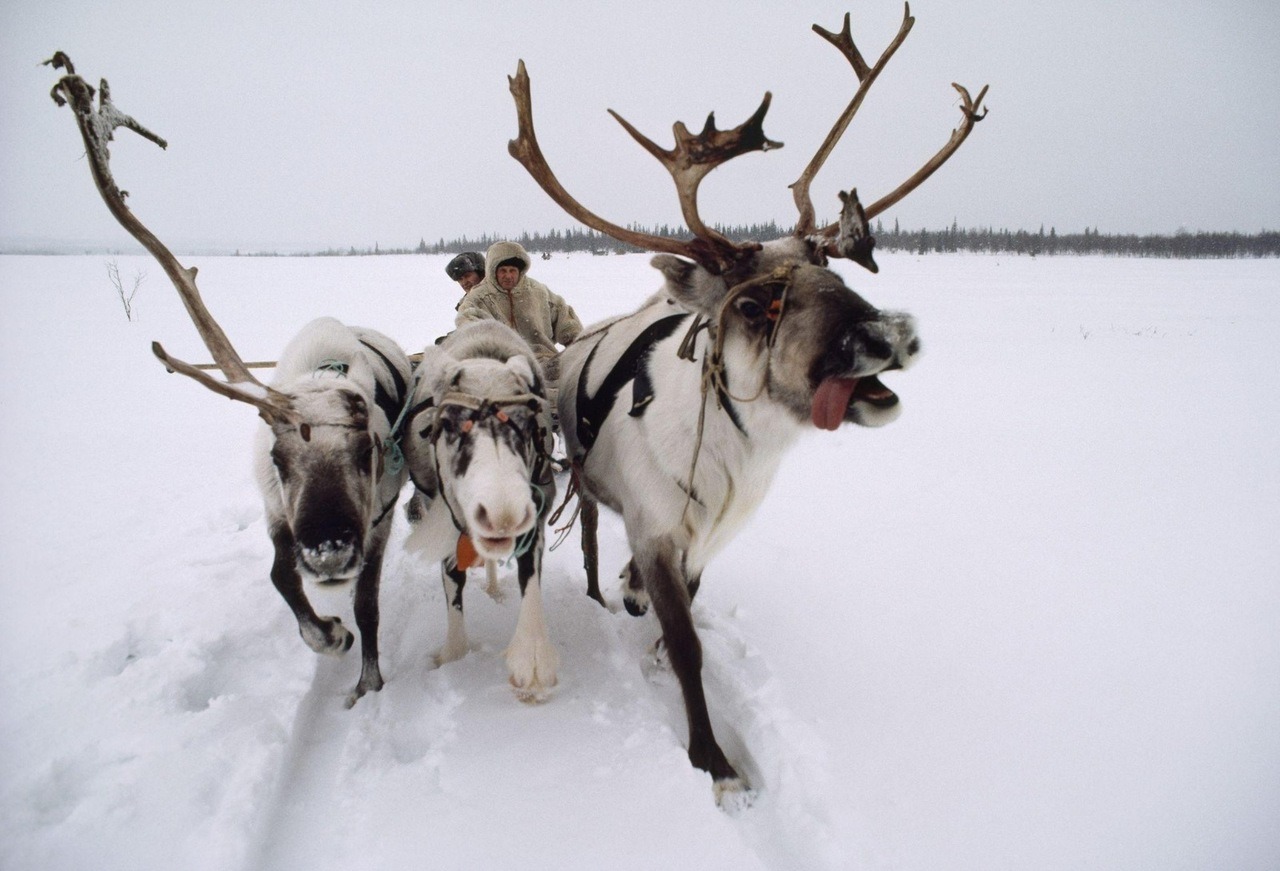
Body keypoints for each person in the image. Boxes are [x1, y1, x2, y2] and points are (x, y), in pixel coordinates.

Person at [455, 240, 582, 380]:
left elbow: (566, 320)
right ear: (492, 271)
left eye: (512, 271)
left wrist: (577, 346)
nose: (508, 276)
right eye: (503, 271)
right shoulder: (478, 297)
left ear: (520, 271)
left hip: (545, 362)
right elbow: (468, 323)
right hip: (501, 367)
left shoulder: (538, 292)